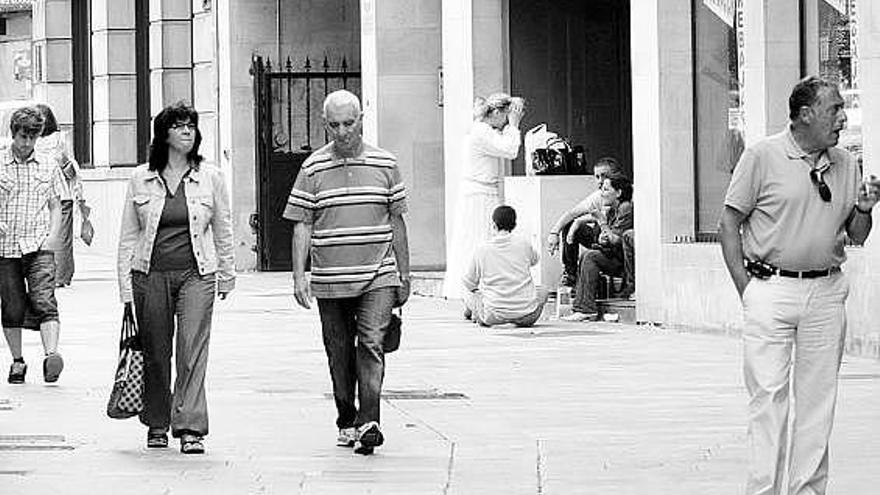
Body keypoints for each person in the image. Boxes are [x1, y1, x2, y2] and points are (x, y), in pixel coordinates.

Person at [719, 76, 880, 495]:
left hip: (826, 291)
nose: (843, 118)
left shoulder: (846, 162)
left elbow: (857, 235)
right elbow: (729, 223)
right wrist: (746, 289)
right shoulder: (761, 156)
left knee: (817, 401)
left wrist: (864, 208)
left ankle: (807, 491)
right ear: (804, 114)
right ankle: (763, 490)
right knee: (768, 398)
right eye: (834, 109)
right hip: (770, 288)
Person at [284, 89, 410, 456]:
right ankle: (347, 417)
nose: (342, 132)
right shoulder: (312, 168)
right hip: (330, 278)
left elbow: (398, 222)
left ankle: (369, 422)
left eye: (349, 123)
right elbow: (301, 225)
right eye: (335, 125)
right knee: (339, 351)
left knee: (370, 344)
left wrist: (405, 272)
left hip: (378, 274)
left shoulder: (386, 164)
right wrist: (298, 276)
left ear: (361, 120)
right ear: (325, 125)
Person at [117, 102, 235, 454]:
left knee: (191, 350)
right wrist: (125, 288)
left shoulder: (210, 176)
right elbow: (128, 236)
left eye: (192, 126)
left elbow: (223, 228)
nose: (188, 132)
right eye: (180, 126)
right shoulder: (141, 177)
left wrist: (227, 274)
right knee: (156, 351)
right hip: (149, 275)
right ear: (164, 134)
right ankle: (156, 421)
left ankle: (190, 427)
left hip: (197, 274)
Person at [0, 106, 66, 384]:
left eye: (32, 137)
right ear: (13, 133)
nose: (26, 143)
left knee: (44, 299)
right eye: (22, 136)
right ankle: (17, 361)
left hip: (39, 244)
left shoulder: (49, 164)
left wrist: (53, 236)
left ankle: (52, 355)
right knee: (12, 305)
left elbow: (56, 205)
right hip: (5, 247)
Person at [442, 93, 524, 299]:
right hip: (479, 194)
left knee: (479, 240)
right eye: (505, 116)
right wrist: (514, 125)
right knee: (478, 241)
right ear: (496, 112)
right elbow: (510, 149)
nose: (505, 122)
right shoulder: (481, 132)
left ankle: (477, 288)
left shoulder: (482, 130)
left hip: (482, 192)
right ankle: (473, 289)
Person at [562, 174, 634, 322]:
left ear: (618, 193)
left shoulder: (625, 208)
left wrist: (601, 221)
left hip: (622, 261)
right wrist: (602, 236)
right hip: (613, 255)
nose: (602, 193)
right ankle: (582, 306)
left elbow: (615, 240)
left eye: (606, 189)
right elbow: (608, 235)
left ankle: (586, 308)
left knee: (590, 256)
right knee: (587, 255)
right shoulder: (611, 208)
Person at [462, 205, 548, 327]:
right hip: (527, 315)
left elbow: (469, 282)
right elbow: (535, 260)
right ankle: (512, 316)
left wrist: (477, 291)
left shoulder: (482, 249)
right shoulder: (523, 244)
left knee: (468, 293)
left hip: (493, 315)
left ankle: (474, 311)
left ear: (493, 225)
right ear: (514, 225)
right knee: (543, 290)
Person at [547, 157, 624, 286]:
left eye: (604, 176)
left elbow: (606, 217)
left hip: (618, 242)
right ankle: (571, 275)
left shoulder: (628, 195)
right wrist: (554, 233)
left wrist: (581, 220)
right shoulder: (599, 195)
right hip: (601, 238)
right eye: (597, 177)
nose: (600, 182)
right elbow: (572, 213)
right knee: (570, 224)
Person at [34, 103, 88, 287]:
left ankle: (45, 276)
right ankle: (61, 277)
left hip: (40, 194)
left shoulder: (31, 140)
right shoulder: (61, 139)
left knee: (43, 236)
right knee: (63, 237)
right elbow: (71, 168)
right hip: (62, 193)